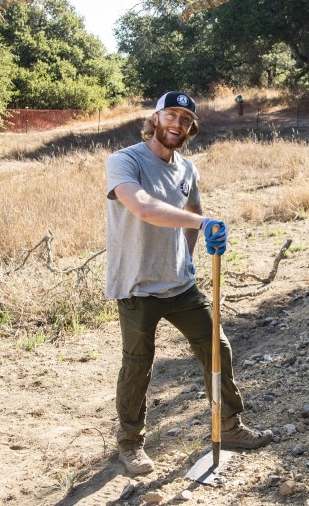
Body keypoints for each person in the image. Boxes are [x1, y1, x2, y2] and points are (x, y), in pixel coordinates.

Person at [105, 90, 272, 476]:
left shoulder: (187, 169)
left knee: (218, 347)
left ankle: (228, 426)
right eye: (171, 116)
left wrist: (188, 253)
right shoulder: (125, 161)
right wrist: (202, 223)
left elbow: (193, 209)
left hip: (180, 285)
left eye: (185, 119)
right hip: (137, 287)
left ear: (190, 127)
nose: (177, 124)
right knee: (137, 365)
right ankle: (130, 444)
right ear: (156, 117)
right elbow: (144, 206)